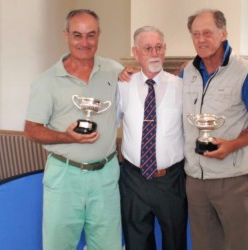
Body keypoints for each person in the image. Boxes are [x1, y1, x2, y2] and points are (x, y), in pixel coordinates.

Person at [24, 9, 123, 250]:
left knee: (109, 246)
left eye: (91, 35)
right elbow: (32, 130)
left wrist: (181, 71)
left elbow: (148, 87)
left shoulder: (115, 71)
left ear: (99, 35)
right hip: (65, 176)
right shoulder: (46, 81)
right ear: (66, 35)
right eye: (77, 35)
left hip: (106, 175)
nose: (85, 42)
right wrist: (65, 137)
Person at [181, 9, 248, 250]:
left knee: (240, 245)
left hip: (232, 180)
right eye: (195, 34)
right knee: (202, 245)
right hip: (195, 180)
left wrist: (231, 146)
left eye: (207, 33)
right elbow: (158, 85)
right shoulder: (186, 72)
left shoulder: (246, 72)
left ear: (223, 33)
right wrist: (129, 74)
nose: (201, 39)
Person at [118, 26, 187, 250]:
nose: (154, 53)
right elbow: (109, 124)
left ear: (165, 50)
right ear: (136, 52)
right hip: (133, 179)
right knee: (136, 243)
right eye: (148, 48)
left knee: (175, 241)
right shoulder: (122, 86)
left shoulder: (182, 87)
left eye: (159, 47)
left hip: (171, 180)